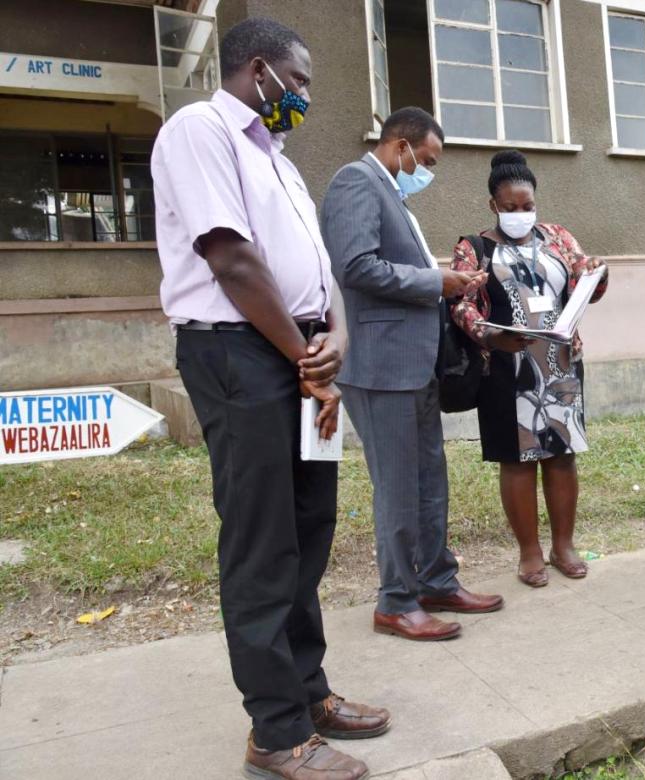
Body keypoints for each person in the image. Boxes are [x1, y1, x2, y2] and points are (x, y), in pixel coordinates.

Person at [152, 18, 386, 780]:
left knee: (308, 526)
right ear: (260, 71)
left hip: (300, 353)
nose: (307, 97)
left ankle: (308, 691)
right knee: (262, 539)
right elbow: (230, 259)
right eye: (302, 81)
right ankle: (275, 732)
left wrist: (337, 340)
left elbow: (318, 273)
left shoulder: (278, 160)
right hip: (241, 354)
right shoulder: (200, 130)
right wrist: (305, 360)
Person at [320, 107, 502, 644]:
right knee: (399, 487)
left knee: (429, 480)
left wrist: (451, 283)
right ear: (399, 146)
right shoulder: (356, 183)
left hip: (413, 363)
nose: (428, 171)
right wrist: (435, 281)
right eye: (425, 160)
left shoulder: (392, 194)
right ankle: (396, 601)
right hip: (380, 366)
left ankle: (436, 580)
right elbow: (355, 266)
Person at [450, 150, 608, 588]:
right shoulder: (474, 248)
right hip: (505, 368)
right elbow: (460, 304)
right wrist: (489, 335)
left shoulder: (557, 237)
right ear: (493, 206)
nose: (521, 213)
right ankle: (530, 553)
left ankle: (563, 546)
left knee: (561, 458)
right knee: (517, 462)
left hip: (558, 366)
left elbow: (585, 284)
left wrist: (595, 271)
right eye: (510, 207)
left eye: (527, 206)